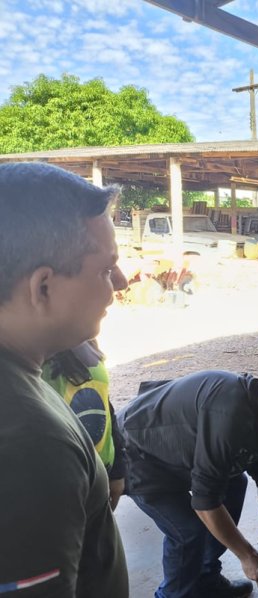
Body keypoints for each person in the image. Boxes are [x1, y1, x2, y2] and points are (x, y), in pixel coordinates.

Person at [0, 162, 128, 596]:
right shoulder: (28, 442)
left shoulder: (25, 375)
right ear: (43, 289)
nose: (122, 282)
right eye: (105, 270)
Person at [117, 370, 258, 598]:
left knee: (235, 484)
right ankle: (173, 595)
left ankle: (205, 579)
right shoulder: (231, 417)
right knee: (187, 531)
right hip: (137, 452)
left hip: (179, 450)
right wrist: (247, 555)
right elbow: (205, 503)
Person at [43, 339, 127, 510]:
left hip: (100, 475)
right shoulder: (17, 352)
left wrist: (118, 471)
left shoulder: (82, 337)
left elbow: (106, 408)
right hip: (57, 489)